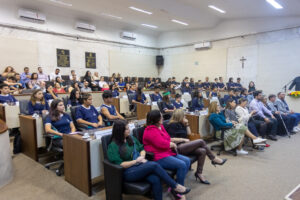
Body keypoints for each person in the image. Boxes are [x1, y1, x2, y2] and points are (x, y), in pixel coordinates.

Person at [107, 120, 190, 200]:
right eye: (127, 129)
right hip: (127, 172)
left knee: (155, 179)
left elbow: (142, 149)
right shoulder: (113, 146)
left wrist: (142, 156)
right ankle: (175, 186)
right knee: (154, 165)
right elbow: (121, 164)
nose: (129, 130)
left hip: (139, 166)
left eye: (128, 128)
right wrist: (136, 161)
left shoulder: (130, 138)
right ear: (119, 131)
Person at [166, 109, 227, 184]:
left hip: (185, 146)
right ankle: (213, 158)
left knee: (202, 151)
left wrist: (187, 124)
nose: (185, 117)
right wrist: (183, 139)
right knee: (201, 141)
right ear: (179, 116)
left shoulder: (182, 124)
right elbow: (170, 139)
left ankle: (199, 173)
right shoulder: (172, 125)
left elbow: (189, 134)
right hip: (177, 147)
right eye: (184, 116)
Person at [143, 110, 191, 199]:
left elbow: (167, 138)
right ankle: (178, 191)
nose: (163, 118)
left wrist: (174, 142)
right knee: (181, 165)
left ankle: (176, 186)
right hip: (157, 156)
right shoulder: (150, 130)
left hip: (166, 152)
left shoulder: (160, 126)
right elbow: (161, 144)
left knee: (187, 161)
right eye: (160, 117)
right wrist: (172, 144)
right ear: (155, 119)